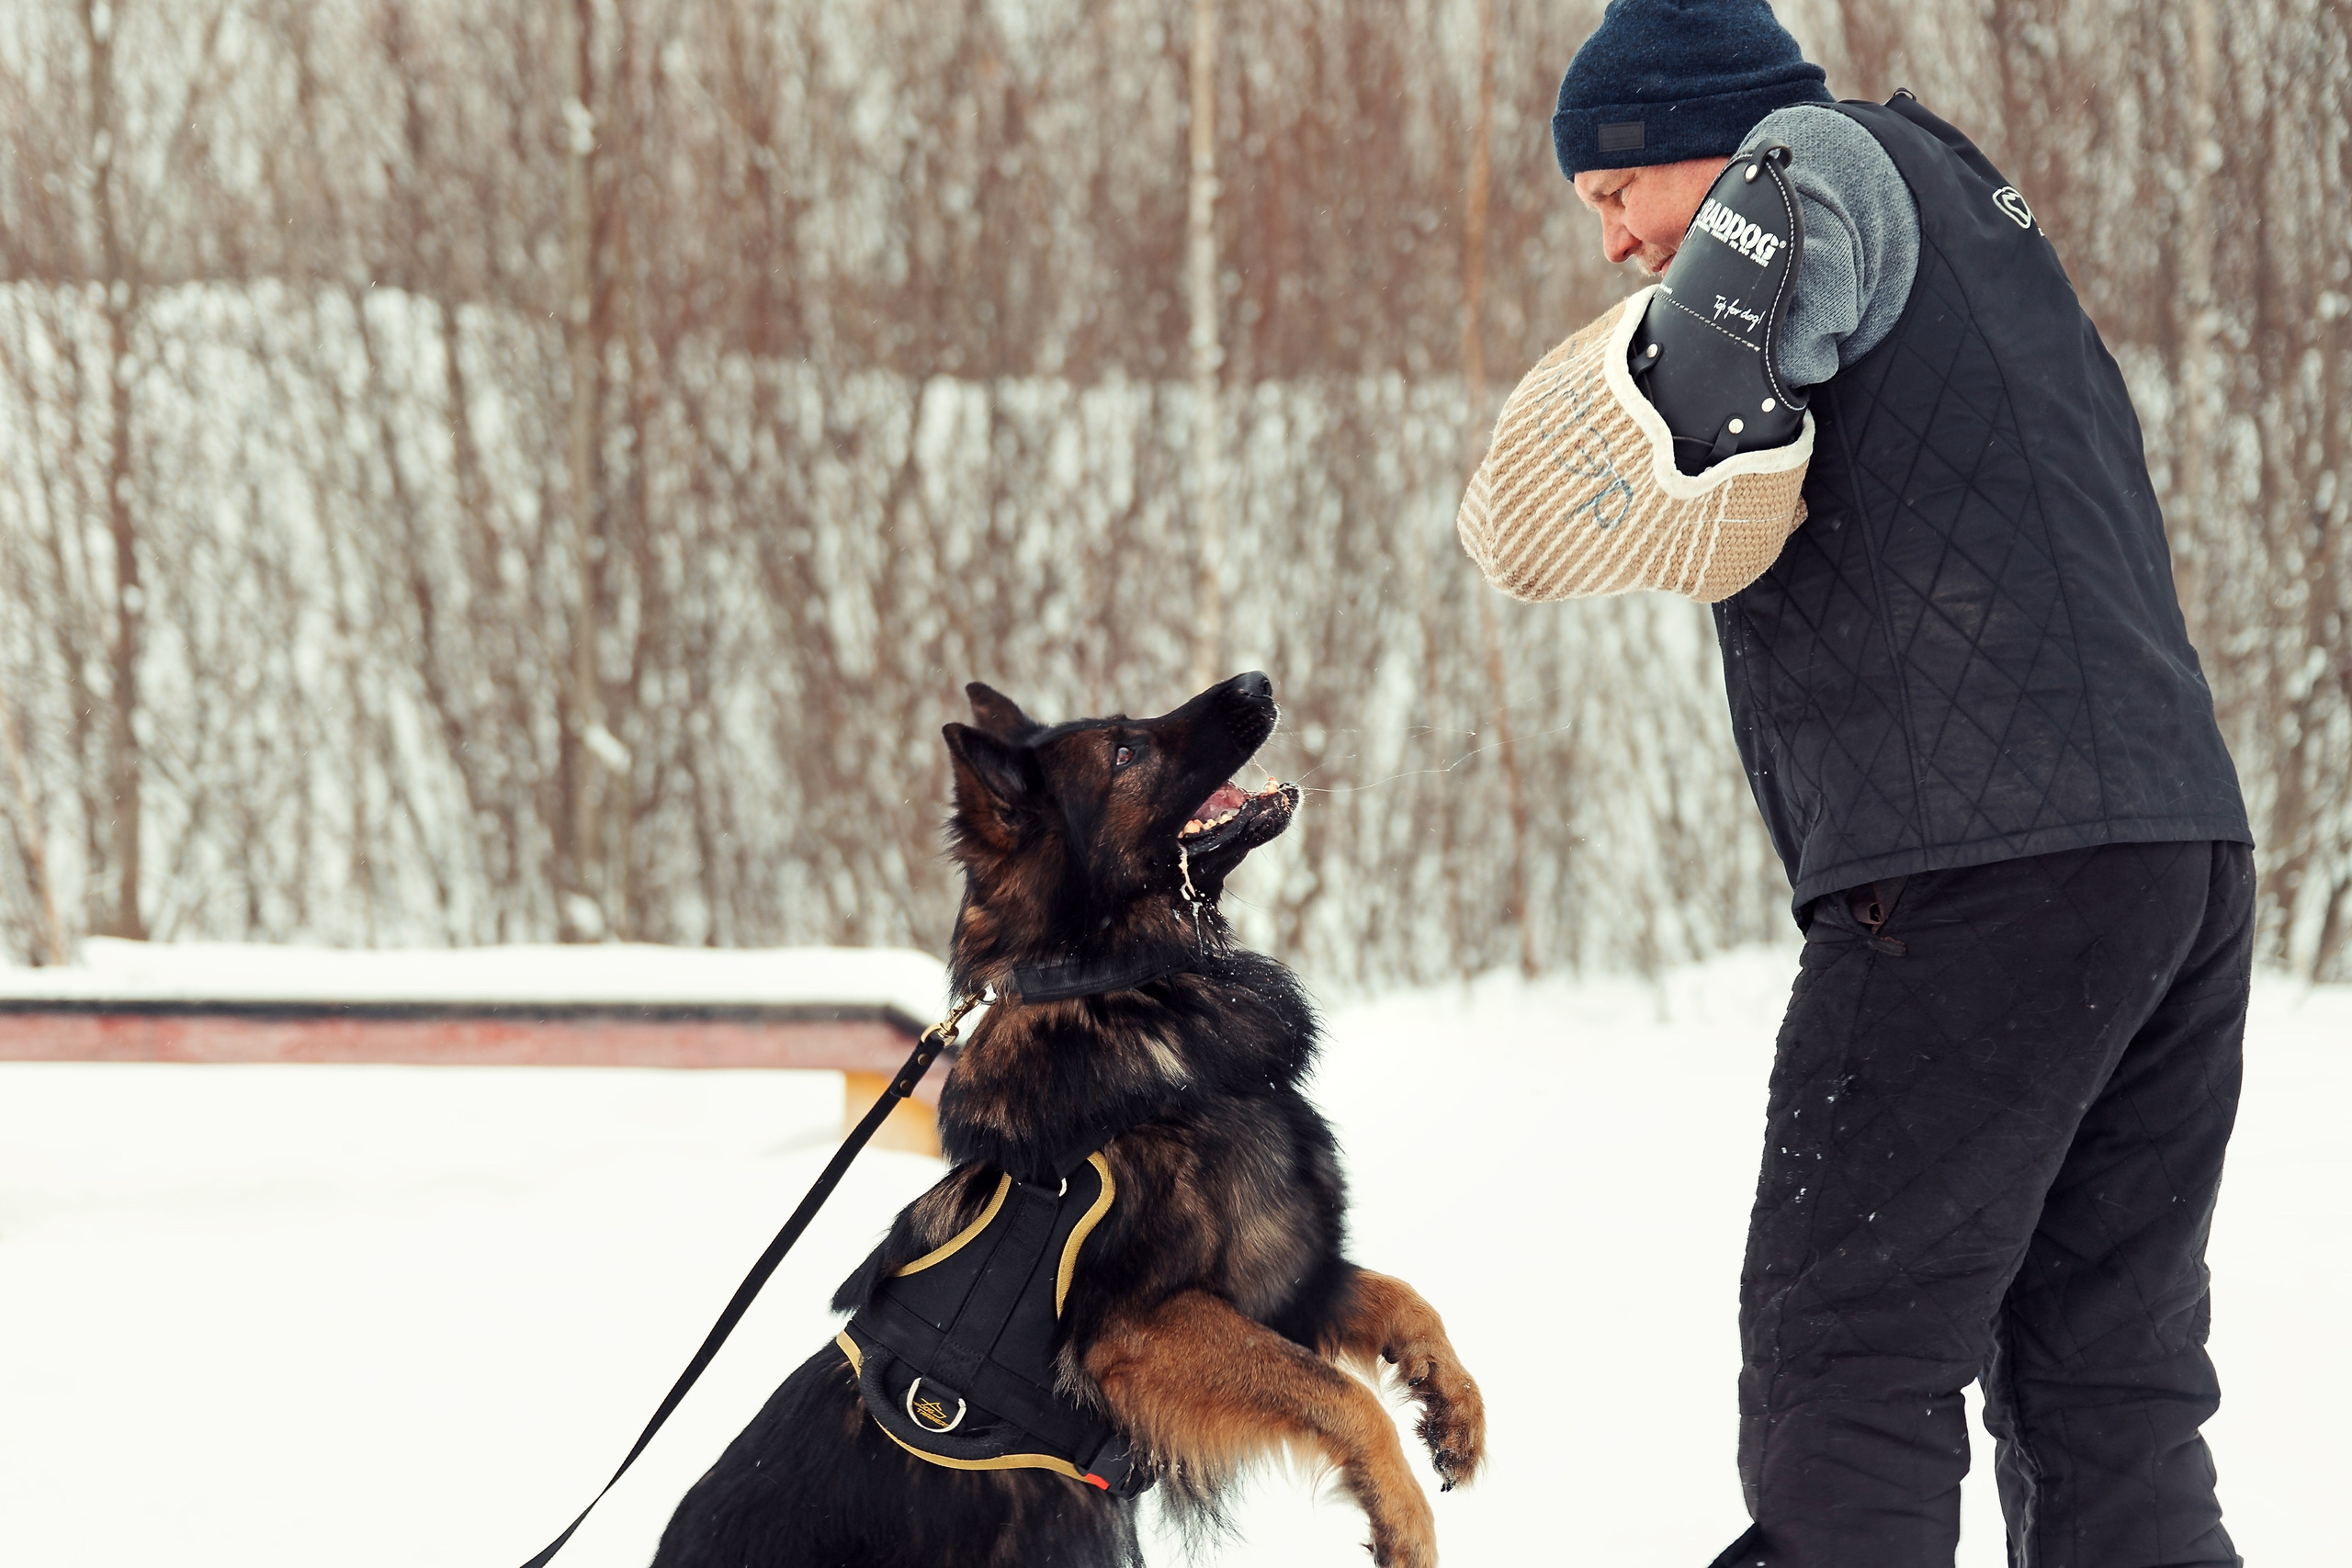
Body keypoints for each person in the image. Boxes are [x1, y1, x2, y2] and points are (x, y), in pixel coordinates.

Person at [1460, 3, 2255, 1565]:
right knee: (2109, 1384)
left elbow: (1742, 318)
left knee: (1848, 1357)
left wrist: (1679, 381)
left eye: (1615, 195)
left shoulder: (1806, 162)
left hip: (1979, 871)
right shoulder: (1964, 192)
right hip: (2170, 855)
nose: (1616, 243)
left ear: (1693, 124)